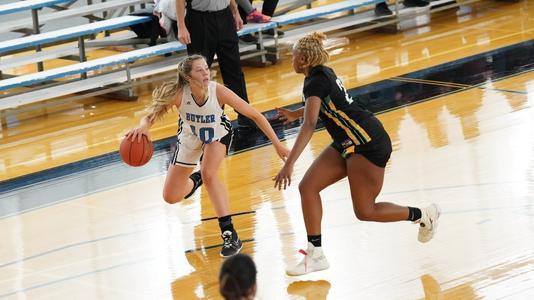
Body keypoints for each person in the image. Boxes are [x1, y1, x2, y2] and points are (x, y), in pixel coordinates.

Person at [273, 32, 440, 276]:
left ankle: (423, 215)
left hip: (367, 143)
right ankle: (315, 254)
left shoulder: (315, 81)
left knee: (365, 211)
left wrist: (289, 163)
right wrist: (294, 113)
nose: (291, 59)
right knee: (307, 188)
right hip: (348, 141)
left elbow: (310, 124)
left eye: (294, 56)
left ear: (305, 60)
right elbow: (323, 106)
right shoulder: (321, 73)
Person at [126, 55, 289, 257]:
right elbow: (150, 116)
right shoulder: (179, 93)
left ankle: (230, 233)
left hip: (217, 135)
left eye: (206, 68)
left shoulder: (218, 91)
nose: (206, 73)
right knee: (171, 196)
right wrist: (143, 128)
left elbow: (255, 115)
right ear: (188, 76)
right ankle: (197, 180)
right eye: (199, 70)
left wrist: (277, 144)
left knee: (210, 174)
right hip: (190, 136)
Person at [175, 0, 256, 131]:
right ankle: (201, 119)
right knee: (198, 75)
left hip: (225, 16)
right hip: (199, 20)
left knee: (234, 70)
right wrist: (181, 26)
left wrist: (235, 12)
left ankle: (245, 115)